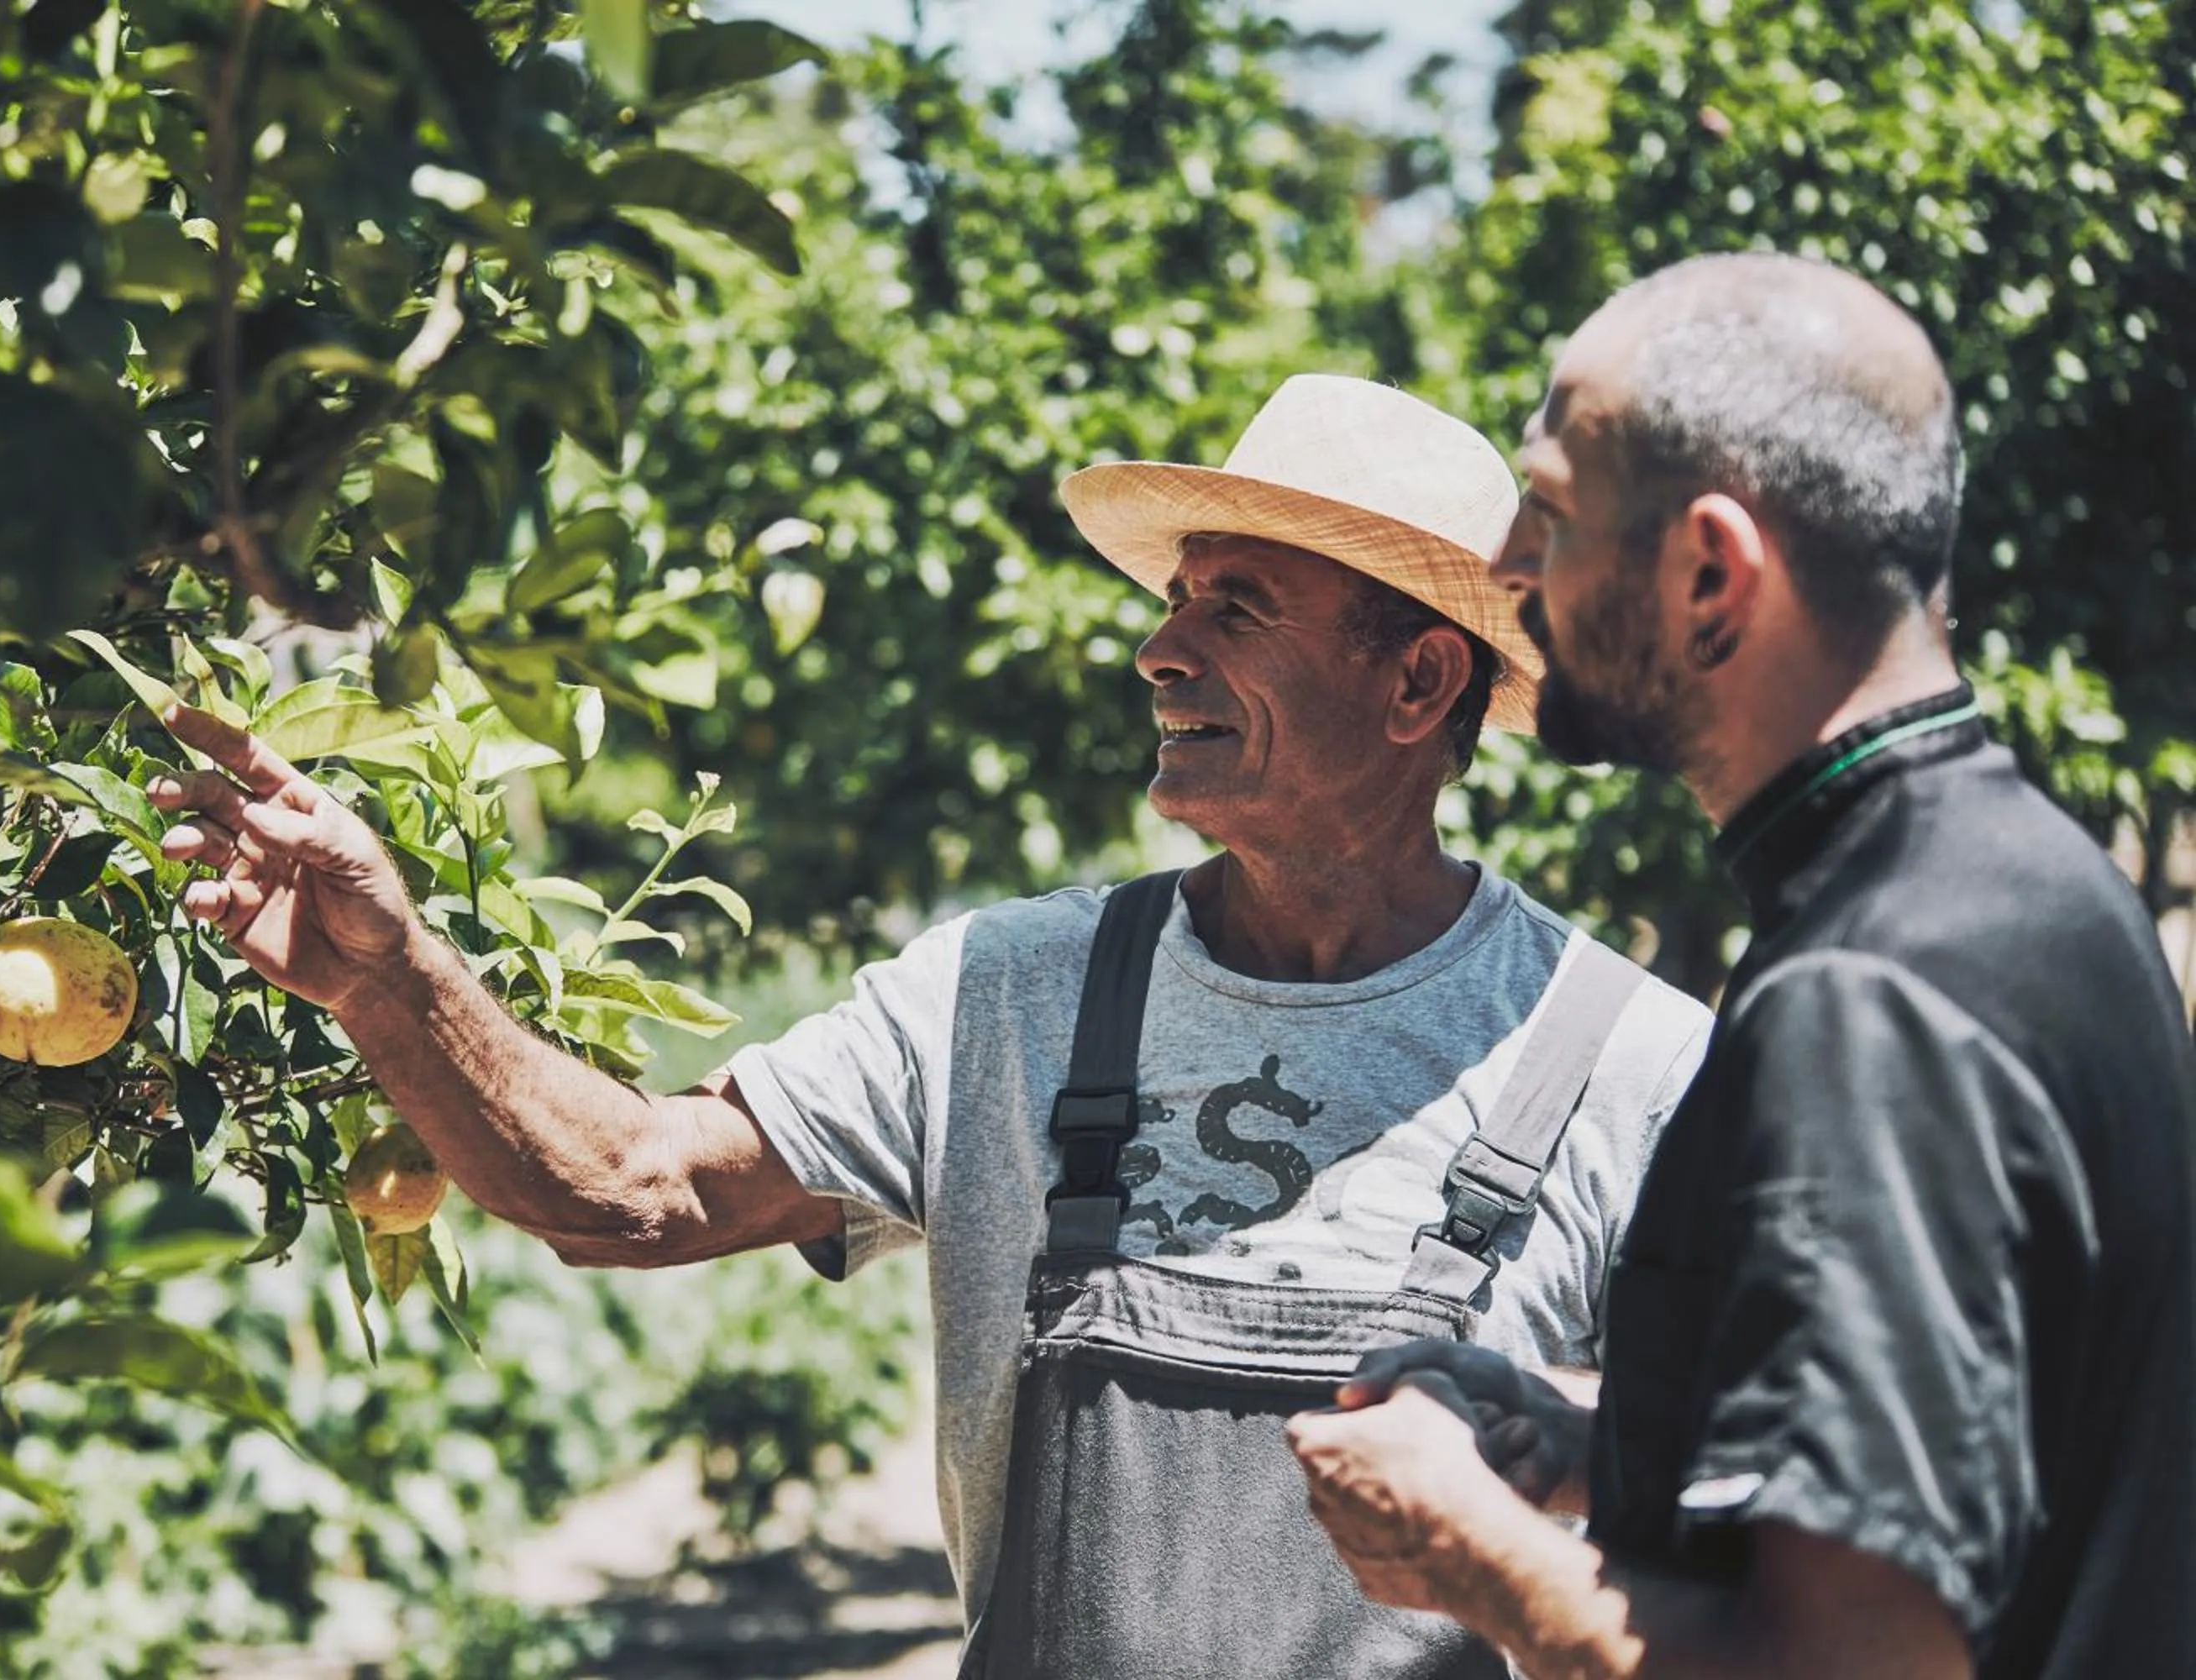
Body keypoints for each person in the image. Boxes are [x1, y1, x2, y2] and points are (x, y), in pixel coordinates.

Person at [145, 374, 1710, 1678]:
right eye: (1175, 604)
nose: (1161, 651)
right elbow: (633, 1188)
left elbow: (1764, 1531)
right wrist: (385, 975)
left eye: (1238, 609)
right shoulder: (1011, 996)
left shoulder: (1628, 1067)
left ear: (1420, 678)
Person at [1290, 253, 2196, 1680]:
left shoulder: (1868, 993)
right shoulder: (2030, 888)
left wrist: (1471, 1543)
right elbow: (1990, 1474)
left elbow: (1854, 1663)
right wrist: (1600, 1442)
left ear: (1711, 573)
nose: (1509, 570)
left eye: (1553, 513)